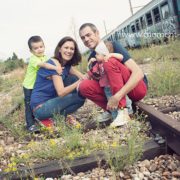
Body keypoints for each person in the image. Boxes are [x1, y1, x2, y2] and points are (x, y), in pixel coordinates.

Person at [78, 23, 148, 126]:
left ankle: (122, 110)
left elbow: (138, 73)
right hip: (114, 92)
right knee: (84, 86)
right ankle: (112, 111)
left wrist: (117, 96)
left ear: (97, 33)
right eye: (83, 38)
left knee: (108, 61)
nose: (86, 39)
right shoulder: (92, 58)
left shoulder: (112, 46)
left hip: (136, 90)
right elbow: (101, 84)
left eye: (89, 35)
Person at [30, 36, 85, 128]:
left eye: (72, 49)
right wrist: (80, 82)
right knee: (79, 97)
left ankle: (59, 117)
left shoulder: (66, 65)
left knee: (73, 80)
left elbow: (82, 77)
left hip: (52, 102)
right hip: (40, 108)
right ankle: (48, 118)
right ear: (59, 49)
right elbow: (61, 92)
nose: (69, 51)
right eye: (66, 48)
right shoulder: (54, 64)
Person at [23, 36, 62, 132]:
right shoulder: (33, 59)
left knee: (40, 102)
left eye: (41, 46)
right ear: (31, 51)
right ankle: (30, 125)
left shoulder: (45, 57)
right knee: (29, 105)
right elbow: (44, 65)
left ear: (44, 46)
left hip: (38, 86)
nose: (39, 49)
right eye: (36, 48)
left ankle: (41, 117)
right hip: (29, 86)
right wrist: (56, 68)